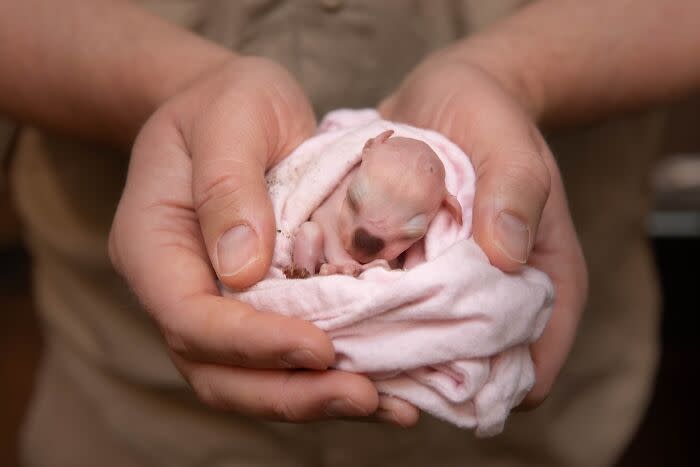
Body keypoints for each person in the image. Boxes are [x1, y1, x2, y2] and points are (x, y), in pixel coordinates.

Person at [1, 0, 697, 465]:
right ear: (359, 157)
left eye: (402, 234)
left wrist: (519, 73)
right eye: (358, 204)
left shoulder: (424, 219)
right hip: (135, 401)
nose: (367, 236)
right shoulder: (337, 177)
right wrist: (175, 88)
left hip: (532, 432)